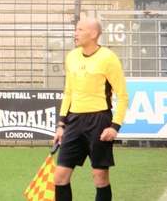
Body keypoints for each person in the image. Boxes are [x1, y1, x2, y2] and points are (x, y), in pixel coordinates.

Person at [53, 17, 129, 201]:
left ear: (93, 34)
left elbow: (123, 96)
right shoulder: (72, 56)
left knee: (99, 177)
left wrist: (115, 126)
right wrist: (61, 124)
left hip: (99, 121)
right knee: (60, 176)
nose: (75, 33)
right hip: (74, 121)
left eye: (80, 29)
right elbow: (69, 92)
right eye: (76, 29)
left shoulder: (108, 58)